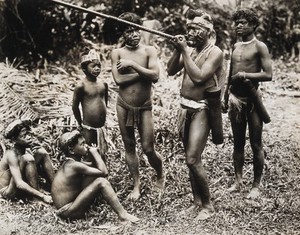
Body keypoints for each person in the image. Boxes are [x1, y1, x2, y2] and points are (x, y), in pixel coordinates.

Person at [167, 9, 224, 220]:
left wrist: (184, 50)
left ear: (208, 31)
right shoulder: (190, 51)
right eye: (189, 28)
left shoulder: (215, 52)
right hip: (185, 108)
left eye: (195, 28)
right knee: (190, 157)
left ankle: (208, 206)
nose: (190, 32)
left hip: (202, 109)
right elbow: (171, 70)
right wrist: (177, 50)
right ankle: (197, 201)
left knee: (192, 159)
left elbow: (199, 78)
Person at [111, 12, 164, 200]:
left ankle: (160, 174)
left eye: (136, 30)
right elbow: (118, 80)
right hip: (123, 105)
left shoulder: (149, 51)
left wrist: (132, 65)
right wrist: (144, 73)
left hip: (144, 106)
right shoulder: (117, 53)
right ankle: (136, 185)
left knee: (148, 148)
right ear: (123, 33)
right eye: (129, 31)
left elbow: (155, 77)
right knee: (129, 145)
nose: (133, 34)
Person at [222, 8, 272, 199]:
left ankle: (256, 185)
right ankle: (237, 181)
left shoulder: (260, 47)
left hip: (252, 99)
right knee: (238, 143)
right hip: (235, 99)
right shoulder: (235, 46)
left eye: (243, 22)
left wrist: (246, 75)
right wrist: (225, 97)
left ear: (253, 25)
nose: (238, 25)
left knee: (256, 143)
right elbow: (229, 74)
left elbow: (268, 74)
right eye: (237, 22)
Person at [51, 130, 140, 222]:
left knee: (93, 176)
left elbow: (96, 167)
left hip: (70, 206)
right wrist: (94, 153)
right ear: (71, 150)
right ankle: (123, 215)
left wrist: (97, 154)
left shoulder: (72, 163)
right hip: (67, 211)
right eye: (82, 144)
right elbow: (104, 172)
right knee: (102, 182)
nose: (86, 146)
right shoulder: (73, 166)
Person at [0, 119, 54, 204]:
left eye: (28, 134)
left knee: (42, 153)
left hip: (17, 185)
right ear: (14, 139)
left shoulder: (24, 151)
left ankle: (56, 188)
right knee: (28, 158)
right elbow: (19, 183)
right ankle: (36, 199)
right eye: (24, 136)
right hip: (8, 191)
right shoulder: (11, 155)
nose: (29, 137)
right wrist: (42, 196)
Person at [72, 49, 108, 162]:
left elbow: (104, 102)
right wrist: (80, 123)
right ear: (84, 69)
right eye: (93, 66)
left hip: (101, 127)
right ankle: (88, 176)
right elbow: (75, 106)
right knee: (88, 153)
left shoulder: (103, 84)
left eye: (99, 66)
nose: (97, 68)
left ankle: (101, 175)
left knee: (101, 153)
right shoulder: (81, 86)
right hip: (88, 127)